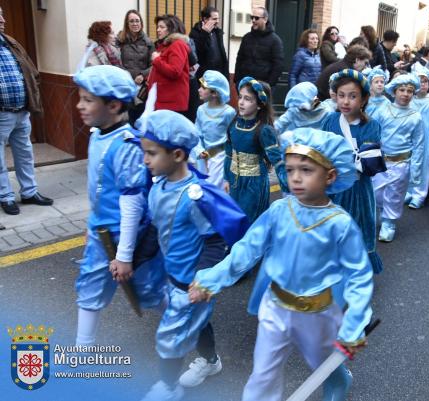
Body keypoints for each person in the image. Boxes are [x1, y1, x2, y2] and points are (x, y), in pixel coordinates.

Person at [189, 127, 373, 401]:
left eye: (306, 170)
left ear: (330, 176)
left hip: (318, 313)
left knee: (323, 365)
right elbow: (246, 249)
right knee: (263, 374)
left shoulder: (340, 224)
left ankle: (338, 382)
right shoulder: (279, 210)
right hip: (275, 307)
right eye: (289, 169)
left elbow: (359, 274)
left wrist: (355, 324)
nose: (295, 178)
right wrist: (211, 279)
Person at [138, 110, 247, 401]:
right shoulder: (158, 187)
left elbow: (214, 243)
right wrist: (132, 261)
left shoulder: (194, 196)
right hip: (171, 278)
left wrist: (203, 280)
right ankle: (211, 362)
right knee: (198, 328)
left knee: (170, 338)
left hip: (192, 284)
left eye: (151, 153)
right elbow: (154, 232)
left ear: (176, 155)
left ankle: (169, 387)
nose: (145, 160)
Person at [72, 65, 166, 346]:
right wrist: (92, 222)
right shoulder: (96, 134)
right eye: (80, 98)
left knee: (150, 291)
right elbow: (99, 188)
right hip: (102, 233)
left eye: (88, 100)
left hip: (129, 238)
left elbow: (133, 203)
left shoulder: (126, 145)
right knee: (89, 288)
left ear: (113, 105)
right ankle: (82, 351)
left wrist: (124, 255)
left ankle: (185, 328)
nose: (80, 105)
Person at [321, 69, 384, 273]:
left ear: (364, 98)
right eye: (341, 95)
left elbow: (369, 164)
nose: (346, 102)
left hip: (358, 188)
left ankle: (356, 270)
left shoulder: (371, 126)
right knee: (331, 228)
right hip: (332, 188)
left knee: (357, 225)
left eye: (353, 96)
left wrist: (343, 158)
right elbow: (321, 152)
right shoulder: (330, 121)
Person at [0, 6, 53, 215]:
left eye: (3, 14)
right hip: (2, 112)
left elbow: (30, 69)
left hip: (22, 110)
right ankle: (5, 196)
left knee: (25, 153)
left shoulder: (11, 42)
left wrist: (32, 90)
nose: (3, 19)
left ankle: (29, 192)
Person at [225, 77, 288, 223]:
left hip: (254, 185)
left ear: (259, 105)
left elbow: (277, 160)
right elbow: (229, 152)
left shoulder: (264, 131)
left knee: (251, 221)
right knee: (235, 219)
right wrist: (226, 177)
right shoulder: (234, 124)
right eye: (240, 97)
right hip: (235, 182)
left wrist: (287, 182)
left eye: (248, 99)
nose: (241, 102)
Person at [370, 74, 424, 241]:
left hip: (401, 163)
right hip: (380, 161)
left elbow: (419, 143)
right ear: (394, 91)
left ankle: (389, 223)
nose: (405, 94)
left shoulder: (416, 116)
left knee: (394, 195)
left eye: (410, 91)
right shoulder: (383, 110)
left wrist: (416, 168)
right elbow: (373, 134)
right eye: (402, 90)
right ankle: (379, 212)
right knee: (376, 193)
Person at [404, 63, 429, 209]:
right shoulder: (410, 101)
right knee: (408, 164)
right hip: (411, 138)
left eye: (425, 81)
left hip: (426, 140)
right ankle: (408, 190)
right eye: (420, 81)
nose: (423, 84)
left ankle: (419, 194)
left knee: (424, 167)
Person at [190, 70, 236, 189]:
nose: (199, 90)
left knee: (215, 190)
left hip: (220, 158)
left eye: (203, 88)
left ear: (215, 93)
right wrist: (199, 151)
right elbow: (197, 133)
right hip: (203, 157)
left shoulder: (228, 112)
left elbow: (234, 138)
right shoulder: (200, 110)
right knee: (201, 188)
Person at [116, 10, 154, 123]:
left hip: (140, 88)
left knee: (138, 119)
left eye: (137, 21)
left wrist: (143, 75)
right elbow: (115, 61)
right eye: (131, 21)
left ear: (141, 23)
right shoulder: (120, 41)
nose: (135, 24)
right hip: (124, 85)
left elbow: (154, 65)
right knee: (124, 118)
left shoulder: (148, 42)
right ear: (127, 24)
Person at [147, 15, 190, 114]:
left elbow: (175, 71)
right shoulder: (166, 45)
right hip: (163, 100)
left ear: (171, 29)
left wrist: (157, 60)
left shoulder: (177, 45)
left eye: (162, 27)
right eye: (158, 27)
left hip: (170, 102)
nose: (158, 30)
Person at [234, 7, 284, 87]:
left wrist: (269, 85)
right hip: (245, 84)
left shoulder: (275, 40)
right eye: (252, 17)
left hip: (263, 85)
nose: (253, 20)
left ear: (265, 19)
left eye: (256, 18)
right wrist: (237, 81)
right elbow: (239, 59)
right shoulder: (246, 38)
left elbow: (278, 65)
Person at [189, 6, 229, 81]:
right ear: (205, 19)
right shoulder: (195, 32)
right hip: (204, 76)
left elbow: (222, 55)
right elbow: (197, 53)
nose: (217, 21)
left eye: (218, 18)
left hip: (218, 74)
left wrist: (225, 75)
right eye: (214, 19)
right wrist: (204, 33)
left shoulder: (217, 32)